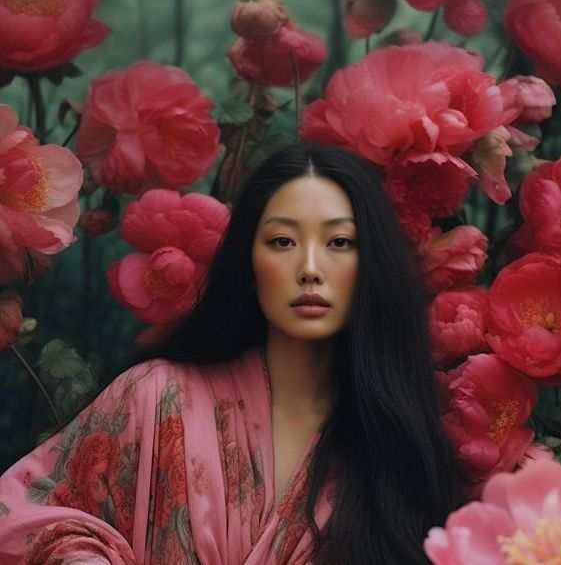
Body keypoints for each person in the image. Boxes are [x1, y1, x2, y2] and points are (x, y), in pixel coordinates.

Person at [0, 143, 461, 564]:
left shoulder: (392, 445)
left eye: (339, 242)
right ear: (249, 258)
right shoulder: (160, 395)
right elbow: (21, 515)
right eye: (283, 241)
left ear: (371, 264)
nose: (310, 269)